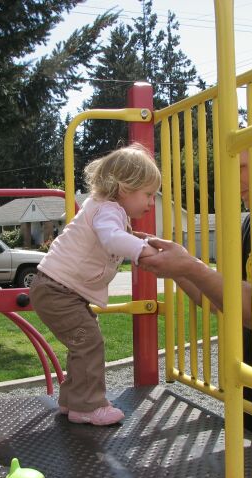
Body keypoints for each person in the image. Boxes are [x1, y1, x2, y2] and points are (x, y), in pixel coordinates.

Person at [138, 150, 252, 464]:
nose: (235, 181)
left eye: (244, 167)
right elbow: (224, 301)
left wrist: (192, 268)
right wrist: (176, 267)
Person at [29, 144, 161, 426]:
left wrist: (139, 241)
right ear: (124, 188)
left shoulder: (106, 209)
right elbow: (112, 239)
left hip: (58, 290)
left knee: (84, 341)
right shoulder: (108, 210)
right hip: (57, 290)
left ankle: (72, 400)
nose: (151, 203)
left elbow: (116, 235)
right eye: (148, 195)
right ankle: (88, 407)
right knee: (89, 342)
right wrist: (143, 250)